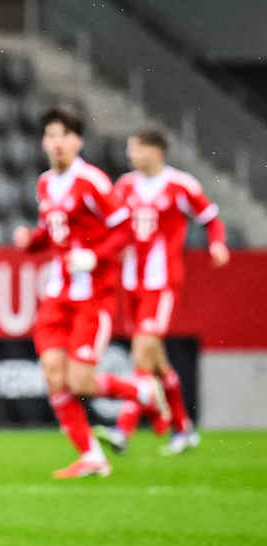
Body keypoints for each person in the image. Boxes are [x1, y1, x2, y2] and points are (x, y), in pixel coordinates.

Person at [12, 108, 169, 479]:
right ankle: (92, 455)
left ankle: (142, 393)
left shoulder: (93, 182)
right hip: (57, 294)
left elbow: (125, 229)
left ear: (78, 142)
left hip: (92, 296)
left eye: (64, 135)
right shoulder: (45, 184)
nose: (57, 143)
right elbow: (52, 233)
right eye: (51, 136)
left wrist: (94, 256)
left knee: (80, 382)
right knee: (53, 374)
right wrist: (30, 242)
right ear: (43, 143)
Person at [95, 129, 229, 456]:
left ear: (156, 151)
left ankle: (122, 430)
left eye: (136, 149)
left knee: (142, 351)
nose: (131, 156)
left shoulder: (180, 184)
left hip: (162, 282)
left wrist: (217, 243)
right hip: (131, 283)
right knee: (156, 361)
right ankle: (182, 429)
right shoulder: (125, 185)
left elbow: (210, 218)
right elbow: (111, 224)